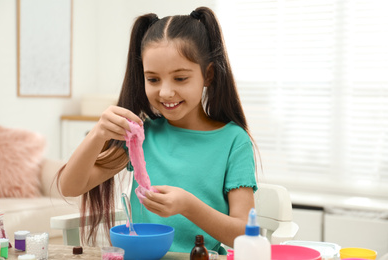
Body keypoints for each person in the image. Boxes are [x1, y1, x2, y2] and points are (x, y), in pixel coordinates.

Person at [57, 6, 258, 254]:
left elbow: (243, 233)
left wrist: (187, 205)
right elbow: (70, 187)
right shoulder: (141, 135)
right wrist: (99, 133)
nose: (165, 92)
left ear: (208, 75)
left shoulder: (233, 141)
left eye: (180, 78)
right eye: (153, 79)